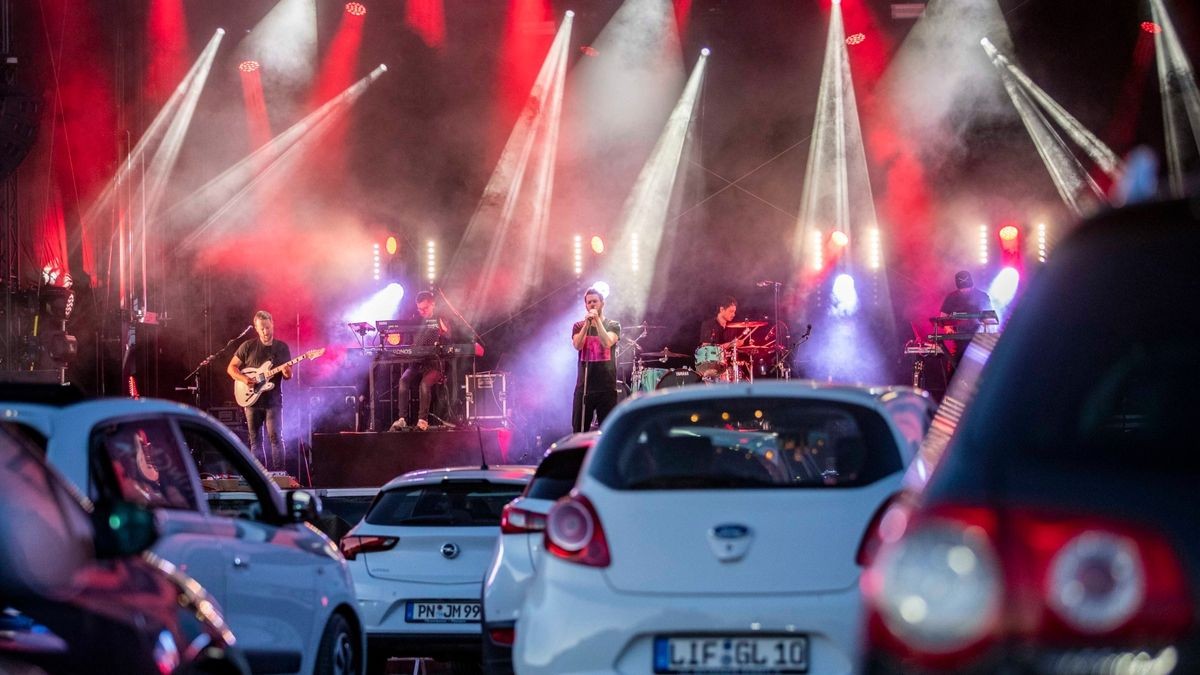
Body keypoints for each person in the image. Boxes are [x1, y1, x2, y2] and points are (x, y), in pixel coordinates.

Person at [227, 310, 292, 470]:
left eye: (268, 327)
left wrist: (286, 372)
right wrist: (245, 379)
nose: (265, 331)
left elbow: (288, 375)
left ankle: (279, 476)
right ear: (256, 328)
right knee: (255, 440)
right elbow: (231, 368)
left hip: (273, 401)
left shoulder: (281, 347)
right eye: (262, 328)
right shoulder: (248, 346)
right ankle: (260, 476)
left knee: (276, 438)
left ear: (273, 325)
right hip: (252, 401)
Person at [389, 291, 451, 431]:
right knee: (403, 380)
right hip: (417, 363)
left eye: (425, 308)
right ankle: (402, 419)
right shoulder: (415, 321)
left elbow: (449, 338)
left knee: (424, 384)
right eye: (419, 309)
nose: (422, 311)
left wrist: (444, 329)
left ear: (432, 305)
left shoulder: (441, 319)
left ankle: (423, 421)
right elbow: (408, 343)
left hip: (435, 365)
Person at [571, 287, 621, 433]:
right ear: (585, 305)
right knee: (579, 431)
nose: (592, 305)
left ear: (602, 303)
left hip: (606, 388)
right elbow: (577, 345)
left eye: (595, 301)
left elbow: (607, 342)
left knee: (607, 432)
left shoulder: (613, 325)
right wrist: (587, 325)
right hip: (584, 387)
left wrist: (597, 321)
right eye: (589, 302)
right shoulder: (578, 326)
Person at [938, 270, 993, 368]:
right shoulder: (952, 297)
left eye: (967, 288)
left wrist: (985, 325)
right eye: (962, 289)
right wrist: (948, 328)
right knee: (956, 366)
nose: (965, 290)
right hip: (958, 338)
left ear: (972, 284)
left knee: (979, 366)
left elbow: (990, 317)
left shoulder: (982, 296)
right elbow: (943, 317)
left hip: (978, 339)